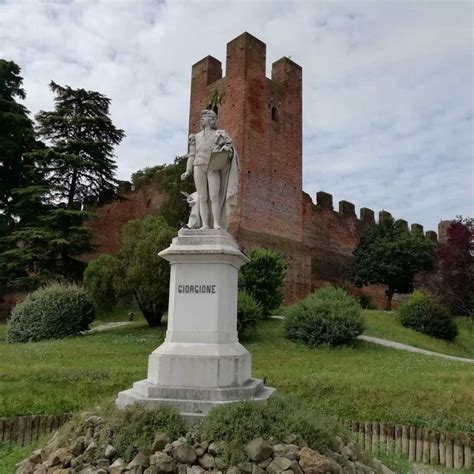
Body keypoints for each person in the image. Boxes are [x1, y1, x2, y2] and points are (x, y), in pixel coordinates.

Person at [181, 109, 239, 229]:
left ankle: (216, 224)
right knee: (202, 197)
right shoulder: (195, 137)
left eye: (205, 116)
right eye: (202, 117)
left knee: (214, 196)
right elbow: (191, 155)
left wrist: (227, 149)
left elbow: (229, 146)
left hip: (213, 166)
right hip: (198, 165)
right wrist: (188, 170)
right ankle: (205, 225)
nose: (202, 118)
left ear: (212, 119)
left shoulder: (219, 134)